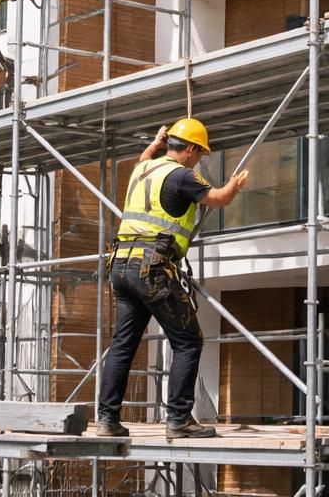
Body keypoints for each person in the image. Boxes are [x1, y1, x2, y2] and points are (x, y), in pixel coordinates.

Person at [95, 118, 250, 439]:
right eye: (200, 154)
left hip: (120, 265)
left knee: (122, 345)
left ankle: (107, 420)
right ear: (191, 149)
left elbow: (142, 158)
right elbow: (218, 198)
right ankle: (179, 419)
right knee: (188, 341)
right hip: (151, 267)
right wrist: (235, 185)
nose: (200, 160)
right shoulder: (182, 175)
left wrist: (155, 143)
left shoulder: (143, 169)